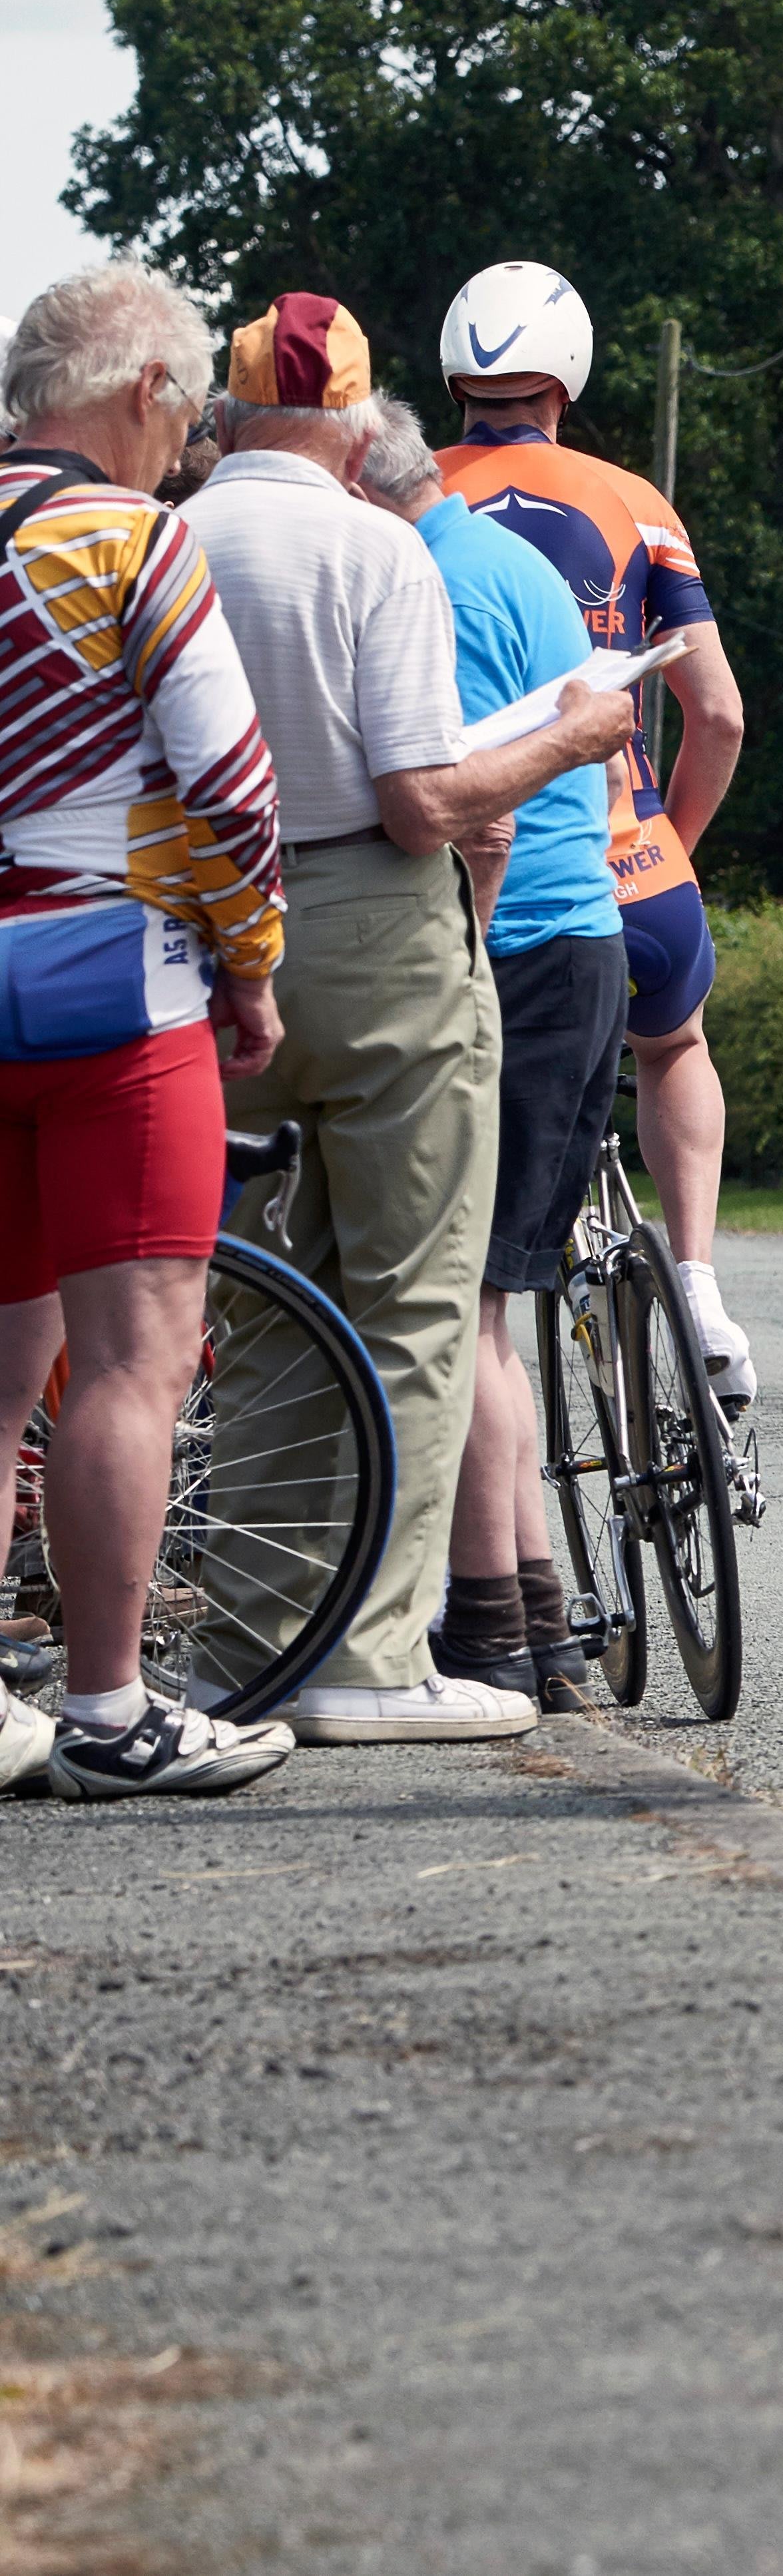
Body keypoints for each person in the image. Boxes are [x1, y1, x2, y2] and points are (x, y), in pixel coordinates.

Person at [188, 295, 635, 1741]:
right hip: (376, 923)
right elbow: (420, 796)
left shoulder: (167, 536)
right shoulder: (377, 546)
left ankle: (253, 1634)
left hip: (201, 939)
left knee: (257, 1304)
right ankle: (369, 1657)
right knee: (414, 1298)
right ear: (360, 419)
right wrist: (570, 734)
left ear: (234, 409)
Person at [0, 261, 298, 1799]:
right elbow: (230, 783)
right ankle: (110, 1707)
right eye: (180, 416)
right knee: (132, 1360)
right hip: (109, 986)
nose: (181, 449)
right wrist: (250, 964)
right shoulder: (131, 537)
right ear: (139, 390)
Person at [429, 262, 755, 1406]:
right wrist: (676, 844)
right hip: (634, 865)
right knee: (673, 1045)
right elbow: (717, 712)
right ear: (566, 376)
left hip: (475, 877)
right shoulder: (635, 500)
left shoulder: (406, 501)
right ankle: (703, 1281)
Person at [365, 399, 626, 1708]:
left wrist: (445, 956)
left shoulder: (427, 584)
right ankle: (540, 1623)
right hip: (590, 938)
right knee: (495, 1309)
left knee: (454, 1305)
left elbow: (471, 806)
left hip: (509, 947)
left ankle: (489, 1617)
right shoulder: (519, 561)